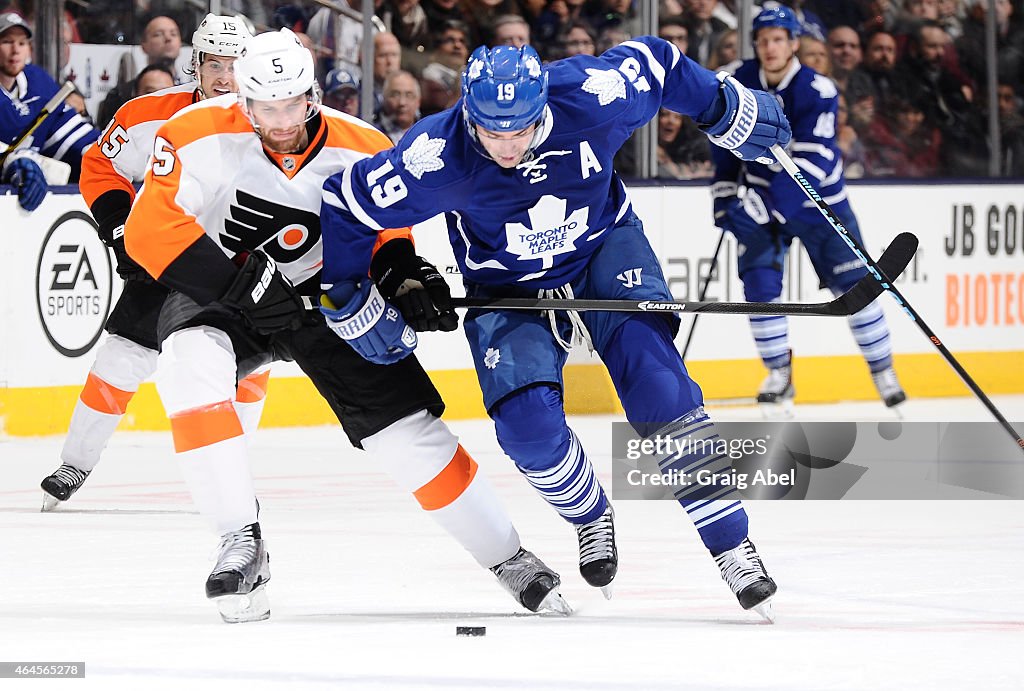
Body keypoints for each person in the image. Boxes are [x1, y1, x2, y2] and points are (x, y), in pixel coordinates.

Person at [318, 38, 792, 619]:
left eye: (520, 129)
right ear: (468, 111)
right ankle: (590, 514)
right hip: (504, 286)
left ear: (544, 104)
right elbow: (344, 205)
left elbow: (661, 63)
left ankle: (733, 547)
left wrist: (724, 106)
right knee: (528, 431)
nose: (507, 146)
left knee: (660, 391)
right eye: (492, 131)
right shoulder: (435, 156)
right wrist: (346, 293)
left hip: (603, 250)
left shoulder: (594, 96)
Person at [123, 29, 568, 622]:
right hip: (221, 290)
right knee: (187, 363)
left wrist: (404, 276)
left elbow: (389, 232)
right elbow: (149, 232)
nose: (282, 121)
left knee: (408, 434)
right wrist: (245, 286)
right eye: (266, 108)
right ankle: (239, 540)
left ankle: (508, 557)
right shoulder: (194, 132)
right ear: (244, 102)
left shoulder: (363, 144)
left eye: (293, 105)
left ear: (313, 94)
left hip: (332, 300)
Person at [39, 15, 266, 511]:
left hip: (242, 263)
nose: (224, 77)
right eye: (214, 64)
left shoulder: (276, 120)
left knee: (247, 368)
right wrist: (121, 226)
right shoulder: (149, 114)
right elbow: (100, 166)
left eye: (235, 65)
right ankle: (74, 462)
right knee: (122, 355)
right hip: (169, 256)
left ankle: (235, 474)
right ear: (196, 64)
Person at [709, 6, 907, 412]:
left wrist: (760, 202)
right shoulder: (740, 81)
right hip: (764, 201)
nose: (769, 47)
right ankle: (779, 374)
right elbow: (723, 143)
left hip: (819, 205)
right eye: (763, 40)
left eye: (778, 39)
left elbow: (813, 163)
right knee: (760, 286)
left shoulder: (818, 90)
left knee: (855, 291)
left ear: (794, 43)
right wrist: (725, 197)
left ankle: (883, 370)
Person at [0, 12, 98, 210]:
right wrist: (11, 161)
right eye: (6, 41)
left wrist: (109, 153)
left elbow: (68, 133)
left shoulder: (38, 82)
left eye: (21, 43)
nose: (15, 51)